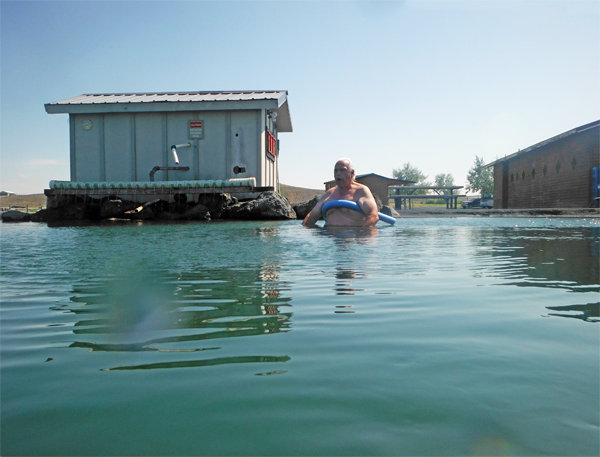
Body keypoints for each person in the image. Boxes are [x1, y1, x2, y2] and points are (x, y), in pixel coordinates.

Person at [302, 158, 379, 227]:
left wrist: (362, 236)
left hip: (352, 239)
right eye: (336, 171)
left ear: (352, 173)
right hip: (329, 239)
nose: (338, 173)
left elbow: (373, 216)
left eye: (342, 170)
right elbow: (311, 217)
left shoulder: (361, 191)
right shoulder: (329, 193)